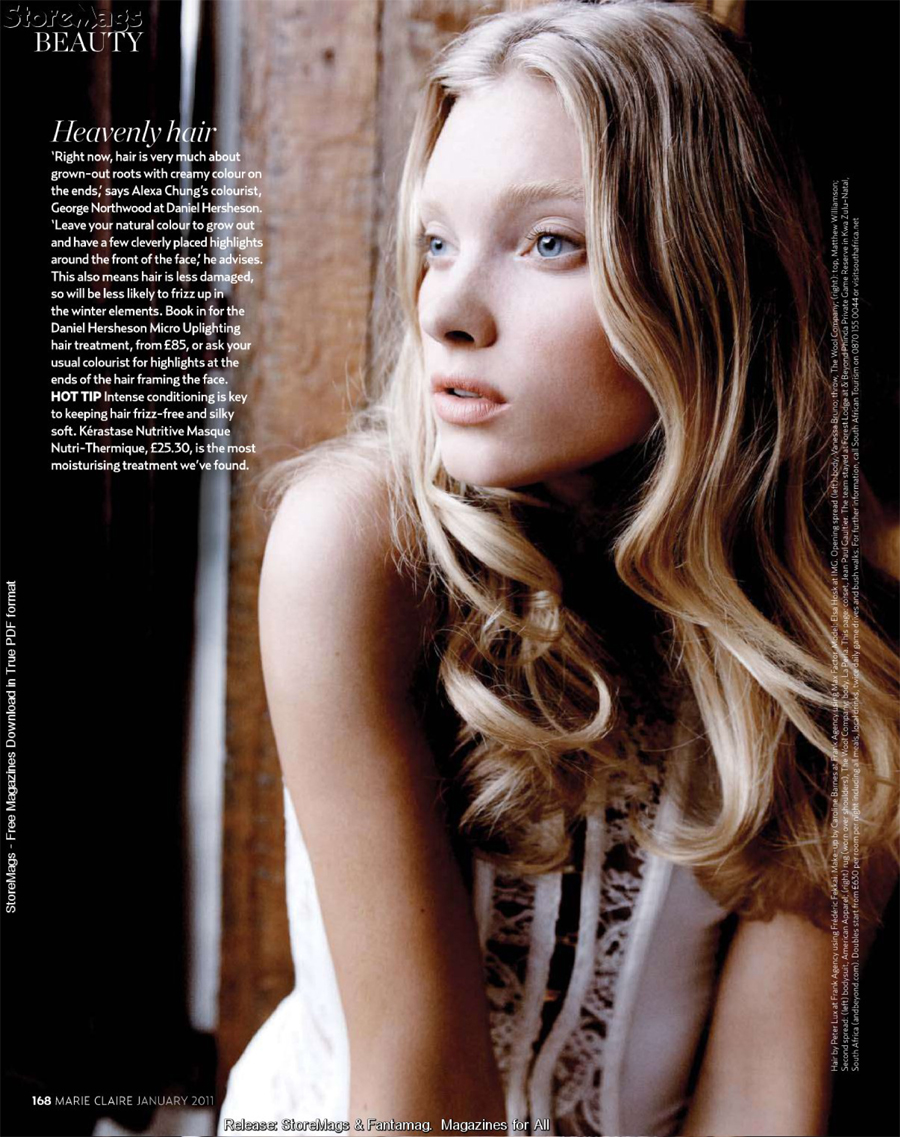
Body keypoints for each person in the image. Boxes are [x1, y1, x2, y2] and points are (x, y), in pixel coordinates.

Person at [218, 3, 899, 1135]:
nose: (447, 308)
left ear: (710, 276)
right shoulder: (356, 546)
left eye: (548, 244)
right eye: (436, 242)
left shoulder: (831, 608)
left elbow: (762, 1097)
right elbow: (422, 1093)